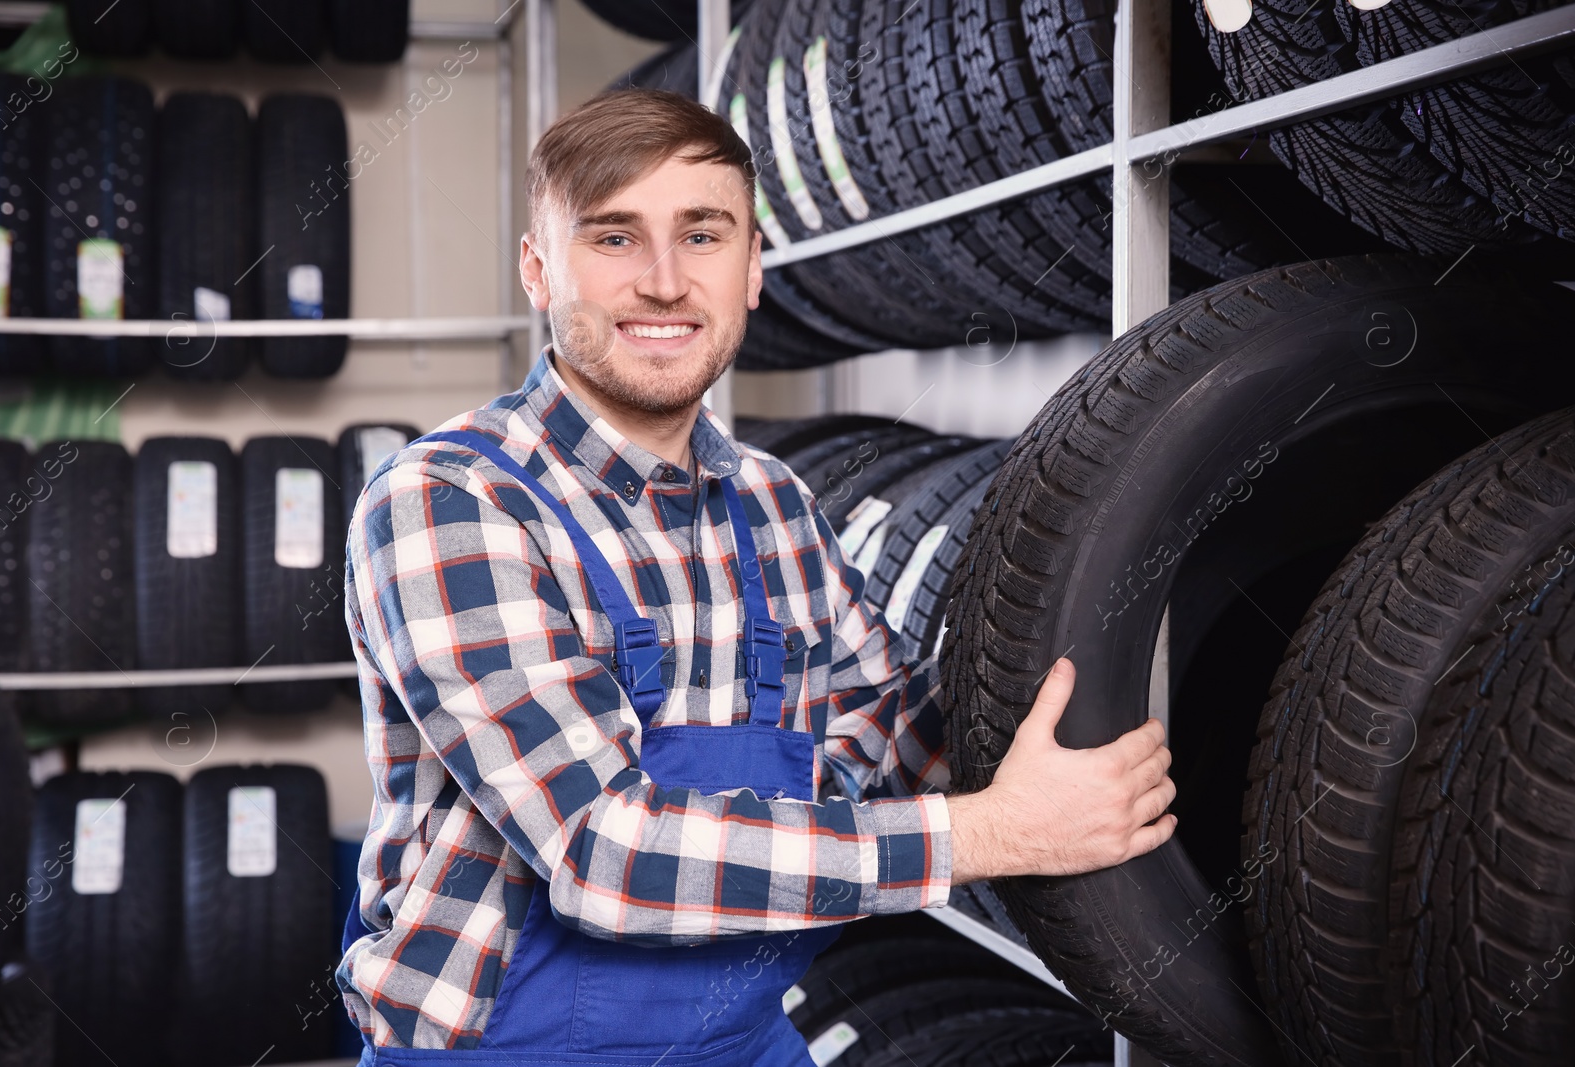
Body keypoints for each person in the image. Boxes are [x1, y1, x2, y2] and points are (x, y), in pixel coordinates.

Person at [336, 87, 1176, 1064]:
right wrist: (988, 834)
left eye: (702, 234)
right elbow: (602, 855)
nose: (662, 280)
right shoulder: (450, 501)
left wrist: (1118, 670)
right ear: (537, 270)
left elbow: (901, 734)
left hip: (741, 1038)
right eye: (612, 238)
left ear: (750, 270)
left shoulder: (769, 503)